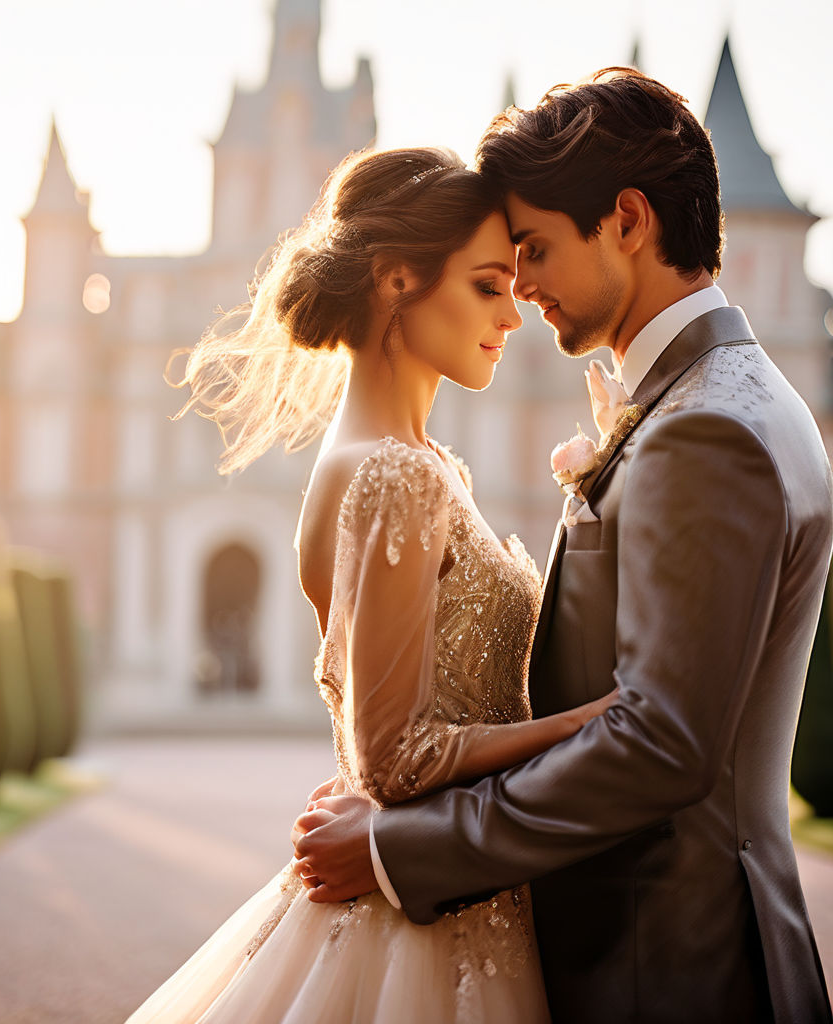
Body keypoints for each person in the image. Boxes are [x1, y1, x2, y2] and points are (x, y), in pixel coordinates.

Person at [292, 69, 833, 1024]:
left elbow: (661, 741)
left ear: (628, 220)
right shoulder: (712, 400)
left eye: (534, 249)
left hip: (669, 968)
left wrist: (394, 849)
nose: (523, 289)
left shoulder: (705, 428)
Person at [123, 145, 617, 1024]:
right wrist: (583, 726)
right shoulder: (398, 476)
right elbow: (395, 760)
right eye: (485, 286)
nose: (514, 315)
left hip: (448, 888)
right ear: (397, 280)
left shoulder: (408, 466)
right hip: (427, 932)